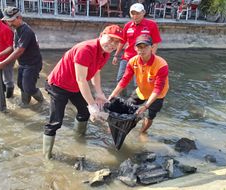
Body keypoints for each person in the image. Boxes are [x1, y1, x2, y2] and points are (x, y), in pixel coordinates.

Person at [43, 25, 124, 159]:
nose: (112, 44)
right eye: (111, 39)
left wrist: (99, 93)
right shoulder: (85, 49)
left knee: (84, 112)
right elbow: (81, 80)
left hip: (75, 87)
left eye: (117, 42)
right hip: (58, 86)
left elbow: (96, 72)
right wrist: (92, 105)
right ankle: (47, 157)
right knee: (56, 122)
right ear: (102, 35)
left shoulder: (105, 53)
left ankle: (79, 140)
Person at [109, 34, 169, 134]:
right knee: (127, 108)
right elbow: (125, 80)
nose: (142, 49)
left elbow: (158, 88)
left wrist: (146, 106)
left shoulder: (161, 65)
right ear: (135, 48)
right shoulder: (133, 61)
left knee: (149, 116)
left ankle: (142, 132)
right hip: (141, 91)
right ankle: (120, 128)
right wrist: (113, 94)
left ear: (152, 47)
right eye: (139, 47)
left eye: (145, 46)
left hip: (158, 95)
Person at [0, 7, 44, 107]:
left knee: (29, 87)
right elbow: (14, 48)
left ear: (19, 18)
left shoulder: (26, 31)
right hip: (23, 63)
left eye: (12, 20)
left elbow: (19, 50)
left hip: (32, 64)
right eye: (8, 21)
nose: (10, 23)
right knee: (21, 85)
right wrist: (0, 55)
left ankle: (42, 102)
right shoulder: (17, 29)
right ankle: (25, 104)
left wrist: (4, 63)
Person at [112, 3, 162, 95]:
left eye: (137, 13)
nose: (135, 16)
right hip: (127, 57)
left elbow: (155, 43)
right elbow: (122, 42)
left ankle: (136, 102)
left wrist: (152, 58)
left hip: (143, 58)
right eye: (133, 13)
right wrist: (116, 55)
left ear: (143, 13)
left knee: (139, 82)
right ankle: (123, 99)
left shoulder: (152, 25)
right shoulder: (127, 26)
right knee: (120, 79)